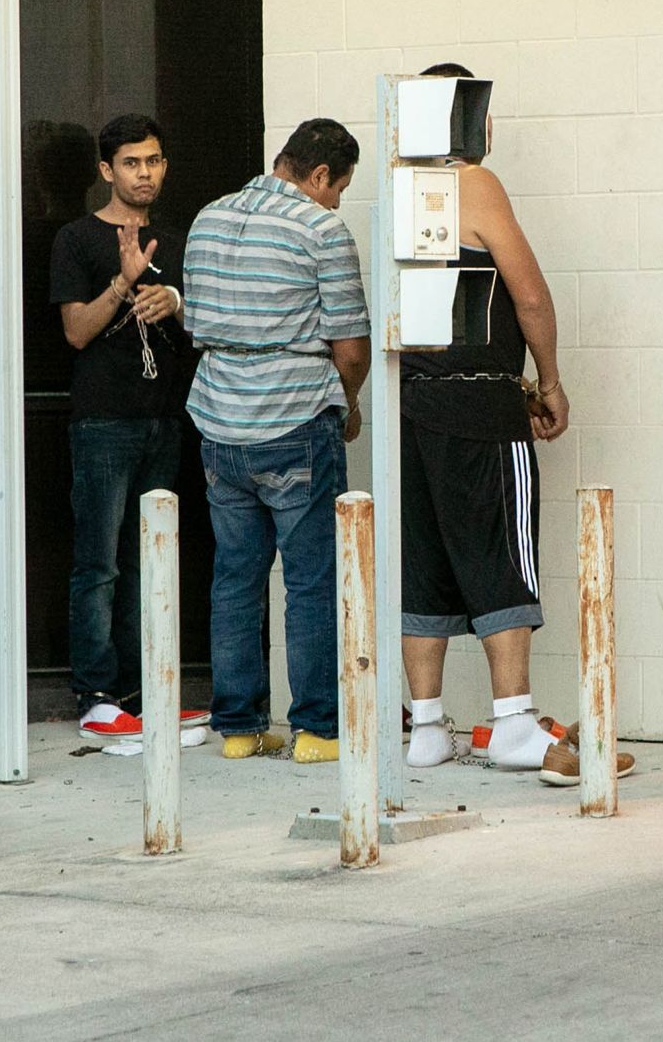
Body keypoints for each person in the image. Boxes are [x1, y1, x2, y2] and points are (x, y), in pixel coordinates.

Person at [395, 63, 572, 774]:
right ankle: (513, 721)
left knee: (425, 560)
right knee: (501, 549)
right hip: (479, 403)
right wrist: (549, 379)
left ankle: (428, 726)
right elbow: (527, 295)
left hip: (412, 401)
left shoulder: (401, 188)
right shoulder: (475, 183)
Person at [182, 118, 370, 765]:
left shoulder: (208, 218)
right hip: (294, 419)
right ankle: (315, 729)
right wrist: (349, 403)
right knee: (312, 579)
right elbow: (350, 347)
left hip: (218, 421)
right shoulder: (321, 230)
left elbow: (196, 322)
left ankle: (238, 727)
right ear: (319, 175)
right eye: (339, 187)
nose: (337, 200)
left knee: (235, 577)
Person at [47, 113, 206, 743]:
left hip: (167, 420)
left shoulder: (179, 235)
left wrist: (178, 304)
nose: (146, 174)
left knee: (152, 562)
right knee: (99, 564)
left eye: (155, 161)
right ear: (106, 171)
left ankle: (148, 691)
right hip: (103, 422)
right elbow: (76, 330)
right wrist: (124, 283)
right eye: (133, 163)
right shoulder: (76, 239)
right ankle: (96, 694)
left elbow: (216, 326)